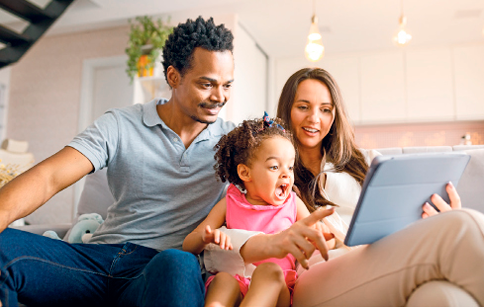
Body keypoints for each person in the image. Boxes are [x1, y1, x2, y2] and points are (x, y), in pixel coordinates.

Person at [0, 16, 236, 307]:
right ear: (174, 77)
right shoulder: (121, 123)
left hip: (158, 270)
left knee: (180, 263)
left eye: (227, 85)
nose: (220, 96)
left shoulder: (232, 141)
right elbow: (50, 177)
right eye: (207, 84)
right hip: (96, 261)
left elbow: (280, 170)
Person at [204, 67, 484, 306]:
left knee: (443, 297)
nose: (315, 118)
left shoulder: (368, 162)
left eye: (325, 110)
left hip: (383, 258)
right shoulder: (270, 174)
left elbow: (395, 223)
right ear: (286, 111)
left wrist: (432, 218)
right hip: (318, 274)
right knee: (463, 225)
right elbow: (221, 240)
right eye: (303, 107)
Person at [183, 114, 334, 307]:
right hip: (236, 281)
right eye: (274, 166)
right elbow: (188, 245)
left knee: (269, 270)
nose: (286, 174)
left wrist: (320, 237)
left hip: (275, 288)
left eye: (290, 166)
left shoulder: (292, 204)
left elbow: (322, 241)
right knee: (223, 279)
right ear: (245, 173)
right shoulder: (229, 202)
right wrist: (205, 238)